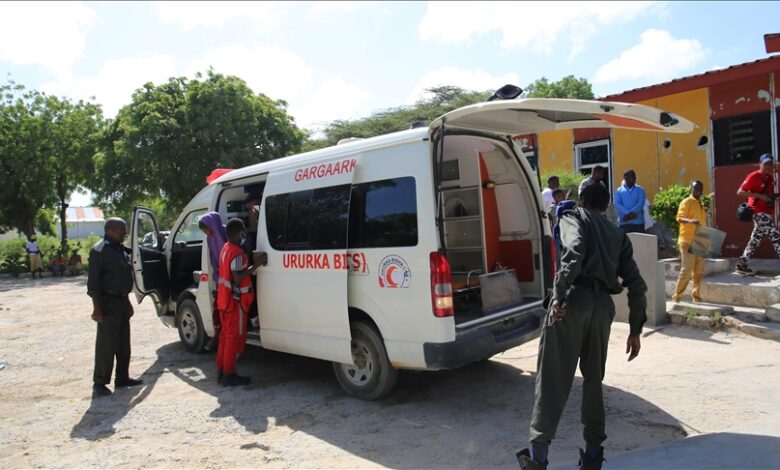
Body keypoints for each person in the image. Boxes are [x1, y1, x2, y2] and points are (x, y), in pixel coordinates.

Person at [517, 184, 647, 470]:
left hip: (572, 301)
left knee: (553, 378)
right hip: (602, 309)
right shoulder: (618, 234)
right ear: (606, 205)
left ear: (583, 200)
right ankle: (592, 456)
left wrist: (559, 296)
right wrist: (635, 329)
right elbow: (636, 284)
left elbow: (573, 252)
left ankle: (537, 458)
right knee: (593, 382)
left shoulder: (572, 217)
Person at [87, 218, 143, 397]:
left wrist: (127, 301)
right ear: (110, 230)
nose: (124, 233)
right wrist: (97, 309)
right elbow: (94, 282)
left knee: (123, 343)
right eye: (122, 229)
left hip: (121, 301)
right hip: (107, 304)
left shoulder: (119, 249)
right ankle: (100, 382)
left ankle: (122, 377)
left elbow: (123, 279)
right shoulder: (100, 250)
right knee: (106, 345)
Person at [216, 218, 257, 387]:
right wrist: (256, 265)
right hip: (235, 303)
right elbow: (238, 276)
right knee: (234, 339)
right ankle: (229, 374)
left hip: (224, 301)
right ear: (240, 233)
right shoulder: (237, 253)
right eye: (243, 233)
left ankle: (222, 371)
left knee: (225, 338)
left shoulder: (225, 248)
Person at [736, 154, 780, 275]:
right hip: (758, 212)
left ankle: (741, 264)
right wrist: (759, 196)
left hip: (766, 212)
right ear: (760, 164)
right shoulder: (754, 176)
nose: (768, 166)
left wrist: (773, 197)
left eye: (770, 164)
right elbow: (740, 192)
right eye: (765, 164)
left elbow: (768, 196)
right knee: (776, 236)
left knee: (755, 240)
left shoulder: (770, 178)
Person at [672, 180, 707, 303]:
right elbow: (679, 218)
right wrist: (691, 221)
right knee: (686, 269)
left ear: (702, 190)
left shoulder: (701, 204)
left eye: (699, 189)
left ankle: (696, 297)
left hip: (700, 240)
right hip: (687, 240)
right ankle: (677, 297)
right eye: (695, 188)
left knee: (699, 271)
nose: (697, 190)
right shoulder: (686, 202)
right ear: (691, 189)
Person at [198, 212, 228, 352]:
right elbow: (214, 261)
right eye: (204, 231)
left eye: (207, 229)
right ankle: (218, 337)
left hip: (231, 279)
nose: (207, 233)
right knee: (219, 310)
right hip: (220, 280)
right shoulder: (210, 239)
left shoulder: (227, 232)